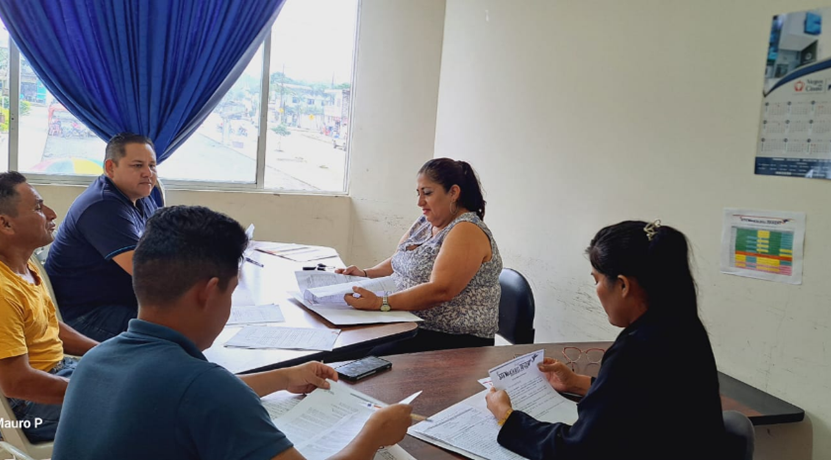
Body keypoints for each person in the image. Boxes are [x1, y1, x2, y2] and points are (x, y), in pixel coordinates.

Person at [53, 205, 412, 459]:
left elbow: (187, 397)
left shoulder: (96, 360)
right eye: (232, 291)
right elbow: (207, 395)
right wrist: (375, 434)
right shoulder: (205, 389)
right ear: (208, 293)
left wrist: (285, 377)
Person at [485, 220, 728, 459]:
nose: (597, 290)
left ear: (622, 285)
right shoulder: (684, 326)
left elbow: (575, 451)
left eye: (597, 280)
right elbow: (641, 397)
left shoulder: (635, 350)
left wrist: (507, 417)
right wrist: (576, 383)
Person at [0, 172, 98, 443]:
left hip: (53, 374)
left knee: (144, 384)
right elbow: (16, 383)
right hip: (19, 411)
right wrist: (94, 390)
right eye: (38, 207)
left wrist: (106, 352)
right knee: (141, 409)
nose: (51, 214)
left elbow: (49, 328)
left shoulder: (18, 263)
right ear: (5, 224)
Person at [337, 158, 503, 354]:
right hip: (406, 321)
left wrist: (380, 303)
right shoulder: (426, 221)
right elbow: (400, 259)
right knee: (342, 346)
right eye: (419, 193)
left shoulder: (467, 230)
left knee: (360, 359)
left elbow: (441, 290)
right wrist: (366, 274)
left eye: (428, 193)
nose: (420, 202)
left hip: (449, 338)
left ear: (453, 192)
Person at [45, 132, 160, 341]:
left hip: (118, 301)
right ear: (110, 168)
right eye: (137, 165)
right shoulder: (103, 205)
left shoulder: (141, 196)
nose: (148, 173)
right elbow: (146, 271)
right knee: (174, 327)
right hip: (84, 315)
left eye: (152, 165)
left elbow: (166, 242)